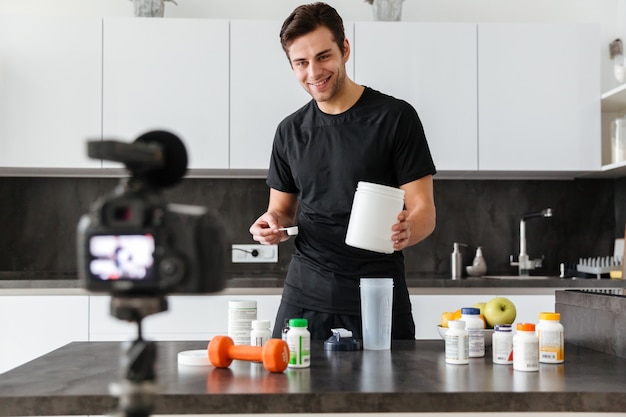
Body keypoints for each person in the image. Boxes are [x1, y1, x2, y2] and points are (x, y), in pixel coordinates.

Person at [249, 2, 436, 341]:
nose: (313, 72)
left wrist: (410, 229)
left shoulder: (395, 118)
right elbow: (282, 210)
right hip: (305, 294)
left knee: (387, 394)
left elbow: (423, 209)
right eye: (301, 63)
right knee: (287, 392)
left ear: (344, 49)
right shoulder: (290, 131)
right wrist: (271, 224)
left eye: (323, 57)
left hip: (377, 294)